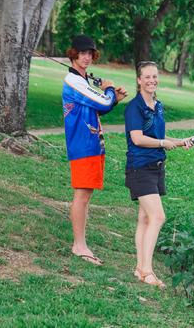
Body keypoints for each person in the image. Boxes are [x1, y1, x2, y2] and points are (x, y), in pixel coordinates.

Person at [124, 61, 194, 287]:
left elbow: (158, 136)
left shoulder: (158, 105)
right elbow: (137, 138)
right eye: (147, 77)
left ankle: (139, 269)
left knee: (145, 218)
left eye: (155, 76)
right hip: (140, 168)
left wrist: (180, 141)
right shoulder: (134, 107)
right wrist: (163, 143)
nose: (152, 80)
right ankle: (147, 271)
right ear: (139, 80)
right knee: (158, 217)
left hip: (156, 167)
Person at [62, 34, 128, 265]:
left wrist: (114, 99)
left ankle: (82, 243)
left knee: (86, 194)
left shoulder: (83, 81)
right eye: (82, 53)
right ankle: (79, 246)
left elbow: (97, 110)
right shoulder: (74, 82)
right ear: (73, 54)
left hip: (92, 144)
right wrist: (109, 90)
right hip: (82, 145)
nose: (87, 57)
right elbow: (102, 102)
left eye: (90, 53)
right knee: (81, 195)